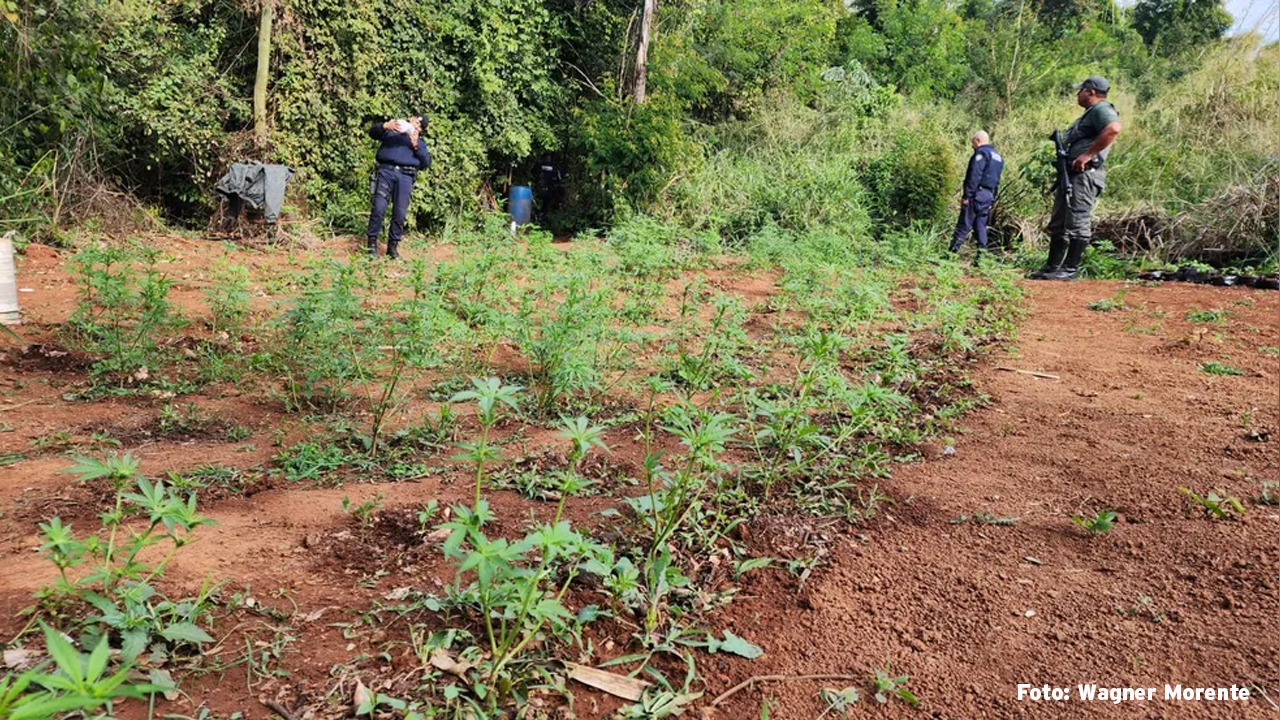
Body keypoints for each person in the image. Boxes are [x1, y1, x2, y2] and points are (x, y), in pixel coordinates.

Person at [1030, 76, 1122, 280]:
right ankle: (1053, 266)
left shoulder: (1101, 109)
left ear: (1090, 92)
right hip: (1071, 176)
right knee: (1060, 221)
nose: (1077, 94)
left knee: (1078, 220)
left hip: (1084, 175)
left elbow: (1114, 129)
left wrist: (1087, 155)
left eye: (1080, 90)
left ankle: (1070, 269)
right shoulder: (1090, 114)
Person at [366, 114, 432, 259]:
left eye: (419, 126)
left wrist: (415, 146)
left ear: (421, 130)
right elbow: (372, 133)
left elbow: (426, 163)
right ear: (410, 119)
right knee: (378, 207)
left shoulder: (420, 143)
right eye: (415, 121)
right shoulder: (392, 131)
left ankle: (393, 247)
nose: (415, 125)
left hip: (406, 176)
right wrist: (384, 126)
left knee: (400, 213)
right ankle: (371, 244)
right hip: (386, 171)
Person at [949, 130, 1004, 263]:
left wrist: (967, 195)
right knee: (980, 226)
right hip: (988, 195)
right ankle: (981, 258)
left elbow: (974, 175)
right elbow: (997, 180)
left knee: (964, 224)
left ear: (978, 141)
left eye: (973, 143)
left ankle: (950, 256)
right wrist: (992, 198)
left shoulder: (981, 154)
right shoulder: (998, 157)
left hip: (976, 194)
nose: (972, 146)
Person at [534, 154, 564, 220]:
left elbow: (533, 176)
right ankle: (542, 216)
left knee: (537, 203)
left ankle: (537, 215)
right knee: (546, 204)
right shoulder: (555, 168)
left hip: (538, 189)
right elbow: (559, 180)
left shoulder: (538, 166)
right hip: (550, 190)